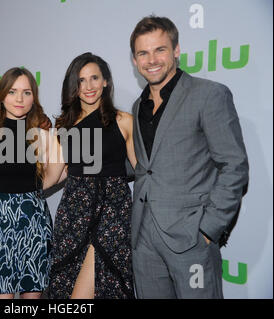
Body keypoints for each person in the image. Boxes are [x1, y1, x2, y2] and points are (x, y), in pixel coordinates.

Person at [129, 16, 249, 298]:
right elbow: (145, 166)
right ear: (134, 60)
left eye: (160, 49)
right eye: (143, 53)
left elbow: (234, 166)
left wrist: (207, 230)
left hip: (190, 239)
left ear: (177, 50)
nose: (152, 60)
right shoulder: (137, 107)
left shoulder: (208, 95)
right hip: (144, 239)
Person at [44, 52, 137, 299]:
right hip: (73, 215)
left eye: (94, 78)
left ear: (105, 81)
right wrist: (10, 193)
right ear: (73, 86)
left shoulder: (124, 121)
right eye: (81, 80)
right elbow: (52, 176)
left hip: (113, 215)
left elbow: (145, 172)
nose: (88, 87)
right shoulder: (63, 126)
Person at [0, 67, 53, 299]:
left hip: (35, 222)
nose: (20, 99)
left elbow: (57, 173)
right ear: (1, 95)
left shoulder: (41, 134)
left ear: (34, 97)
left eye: (26, 92)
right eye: (12, 92)